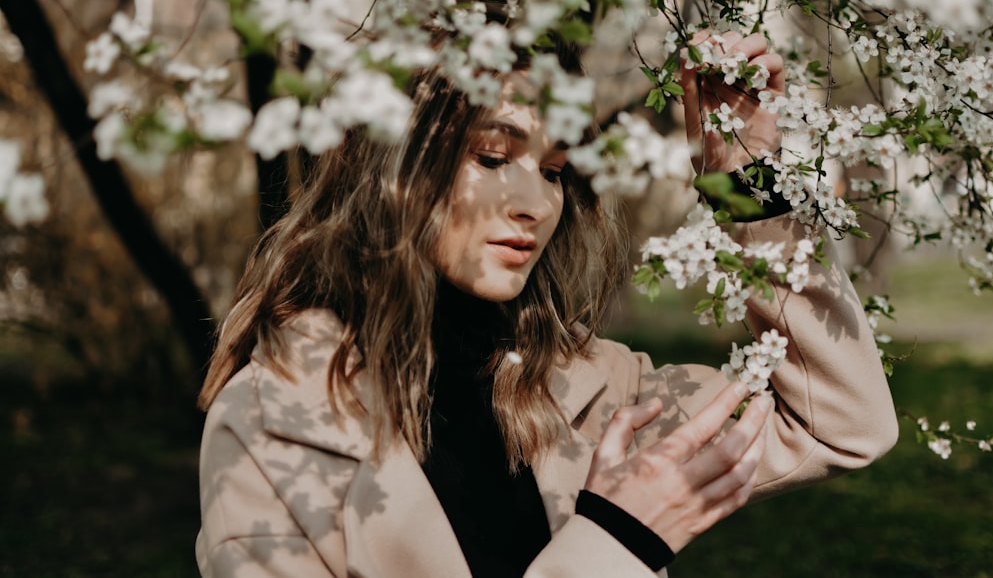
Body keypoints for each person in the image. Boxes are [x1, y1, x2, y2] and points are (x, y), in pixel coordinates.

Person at [195, 31, 897, 578]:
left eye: (555, 170)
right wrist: (616, 536)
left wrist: (745, 186)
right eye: (493, 158)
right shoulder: (272, 422)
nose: (534, 203)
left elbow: (840, 423)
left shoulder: (593, 389)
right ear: (392, 168)